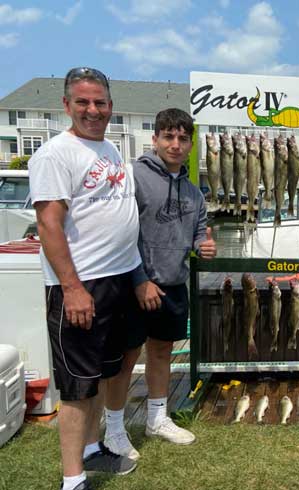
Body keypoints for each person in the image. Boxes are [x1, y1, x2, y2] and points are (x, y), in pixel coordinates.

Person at [29, 67, 139, 490]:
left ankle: (93, 450)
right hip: (81, 285)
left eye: (100, 102)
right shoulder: (55, 154)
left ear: (111, 105)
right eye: (83, 102)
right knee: (76, 386)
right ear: (66, 105)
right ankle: (70, 488)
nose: (93, 110)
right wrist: (72, 288)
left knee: (98, 376)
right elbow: (49, 224)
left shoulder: (110, 147)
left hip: (117, 280)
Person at [104, 108, 216, 460]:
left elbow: (198, 231)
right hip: (135, 284)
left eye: (183, 138)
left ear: (190, 143)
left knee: (162, 352)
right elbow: (120, 235)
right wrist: (140, 280)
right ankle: (115, 428)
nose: (176, 144)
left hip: (173, 284)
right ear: (155, 140)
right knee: (127, 356)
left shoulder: (194, 192)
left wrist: (204, 245)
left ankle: (157, 418)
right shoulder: (134, 176)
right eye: (168, 136)